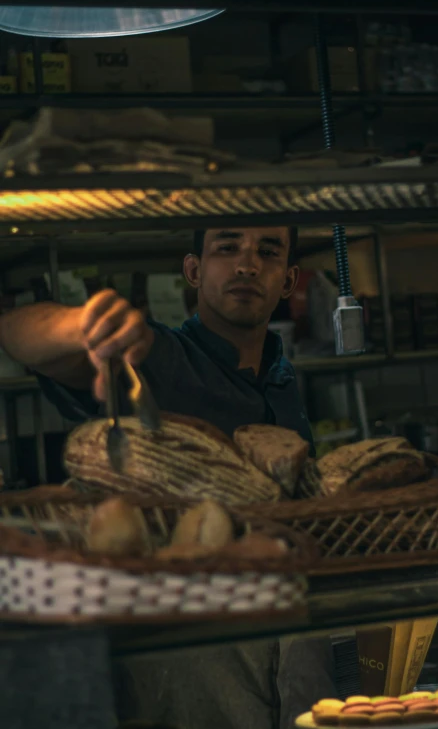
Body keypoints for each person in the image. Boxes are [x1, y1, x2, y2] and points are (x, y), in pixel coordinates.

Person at [0, 225, 336, 729]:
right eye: (227, 247)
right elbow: (17, 333)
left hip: (293, 653)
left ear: (288, 280)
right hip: (198, 672)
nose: (247, 264)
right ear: (193, 270)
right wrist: (81, 326)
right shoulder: (158, 357)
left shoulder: (281, 377)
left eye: (267, 251)